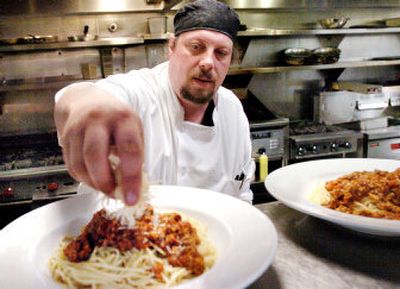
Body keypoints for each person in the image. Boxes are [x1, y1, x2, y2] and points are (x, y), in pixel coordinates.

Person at [54, 0, 254, 205]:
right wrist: (88, 106)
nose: (208, 62)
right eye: (196, 47)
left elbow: (242, 194)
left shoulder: (233, 110)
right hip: (117, 232)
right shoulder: (142, 93)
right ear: (172, 47)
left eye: (220, 53)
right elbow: (81, 96)